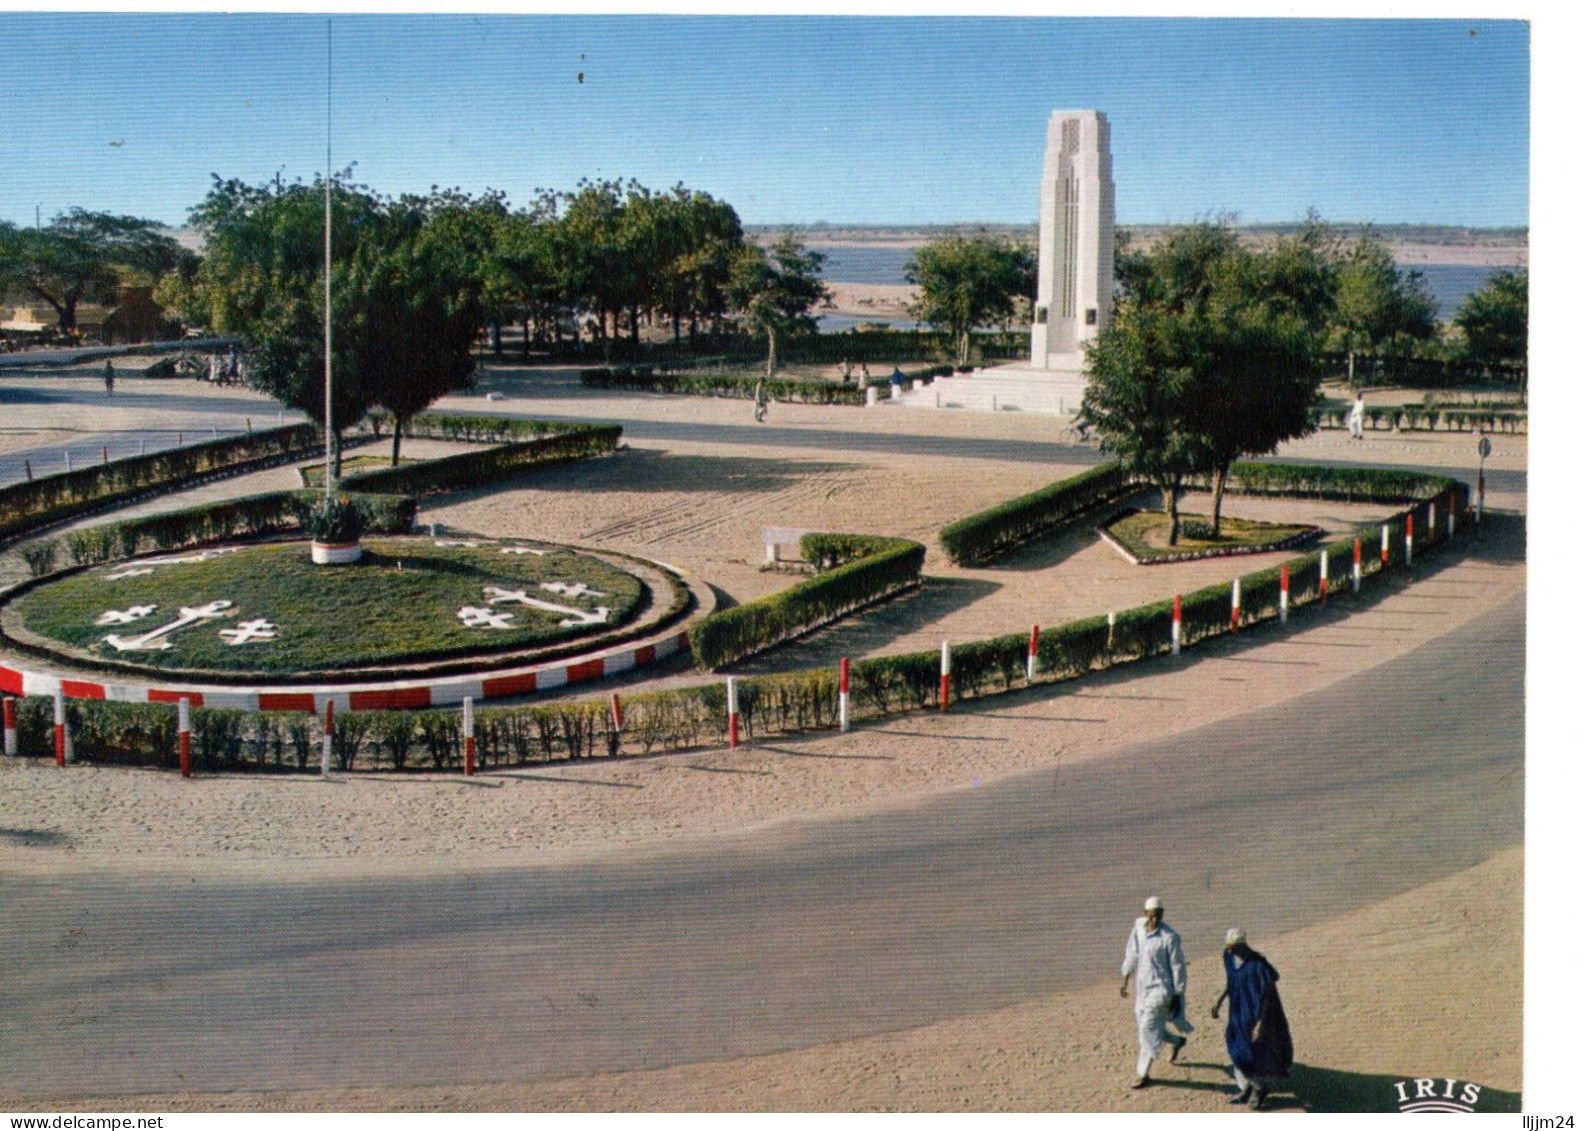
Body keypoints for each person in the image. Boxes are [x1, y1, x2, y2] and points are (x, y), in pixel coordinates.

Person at [1210, 928, 1293, 1110]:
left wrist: (1260, 1024)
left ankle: (1257, 1087)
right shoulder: (1229, 957)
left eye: (1232, 947)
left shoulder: (1258, 965)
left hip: (1254, 1014)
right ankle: (1250, 1087)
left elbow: (1269, 994)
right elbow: (1230, 981)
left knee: (1247, 1052)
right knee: (1234, 1046)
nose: (1229, 951)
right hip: (1236, 1011)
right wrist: (1219, 1001)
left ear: (1242, 945)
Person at [1120, 895, 1192, 1090]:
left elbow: (1178, 967)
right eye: (1151, 916)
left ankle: (1142, 1074)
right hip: (1142, 990)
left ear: (1162, 915)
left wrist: (1178, 993)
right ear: (1145, 914)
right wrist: (1126, 977)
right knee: (1147, 1027)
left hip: (1161, 991)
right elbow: (1132, 952)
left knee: (1147, 1030)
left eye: (1158, 916)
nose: (1154, 920)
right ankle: (1177, 1041)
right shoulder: (1138, 928)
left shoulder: (1169, 937)